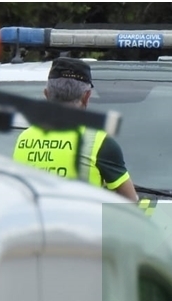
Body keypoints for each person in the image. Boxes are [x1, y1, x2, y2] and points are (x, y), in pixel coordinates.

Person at [13, 57, 137, 201]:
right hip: (80, 223)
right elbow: (131, 202)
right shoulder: (100, 142)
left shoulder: (24, 138)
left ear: (46, 94)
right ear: (86, 97)